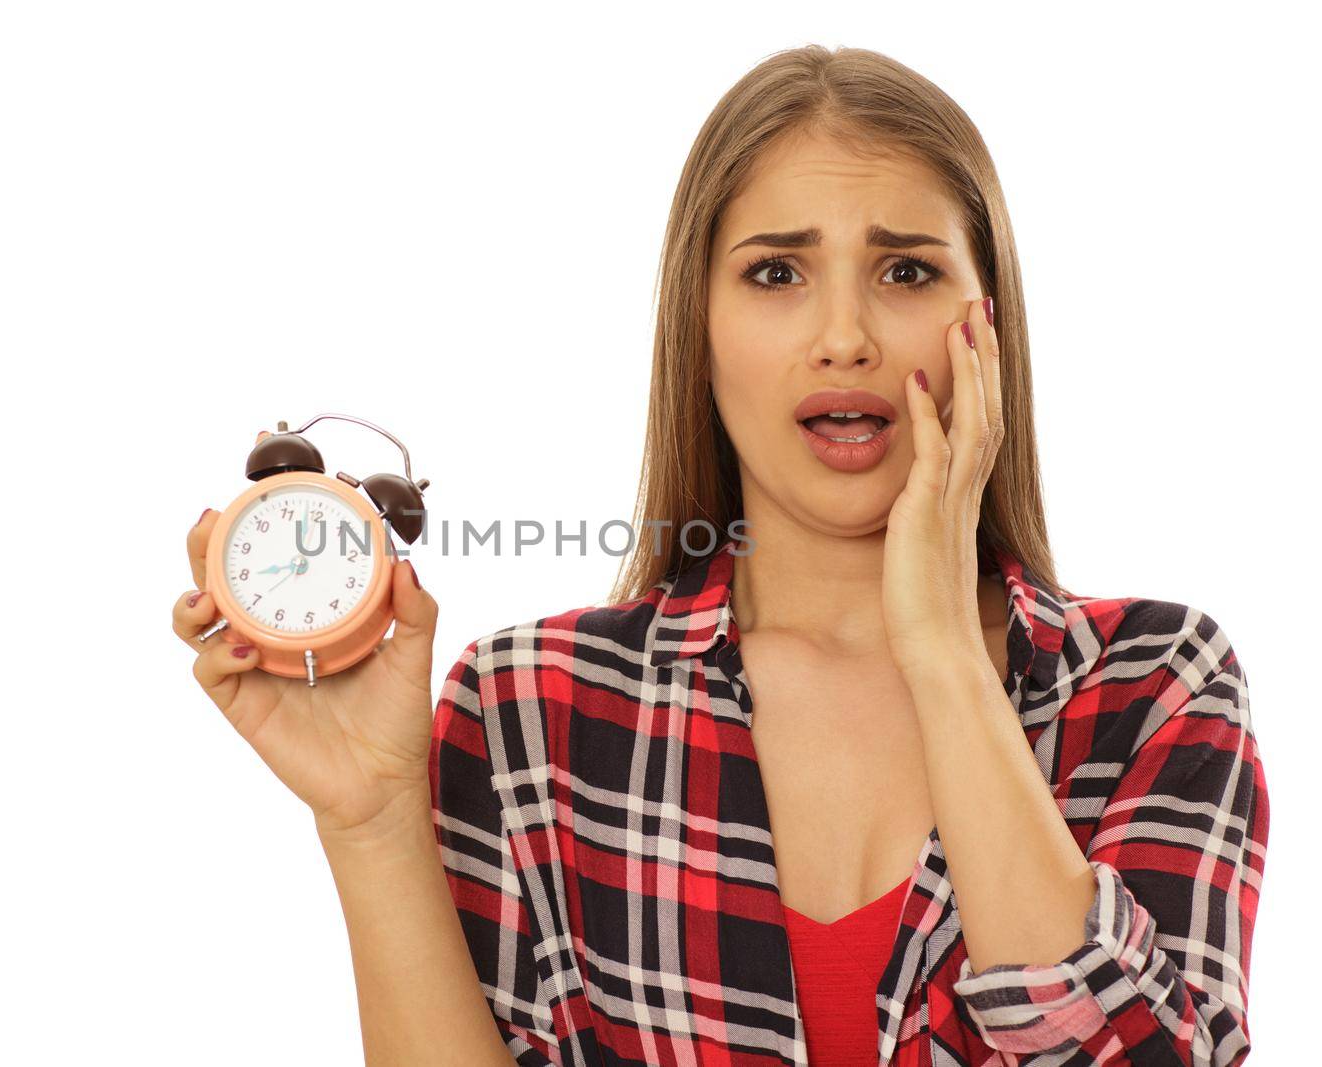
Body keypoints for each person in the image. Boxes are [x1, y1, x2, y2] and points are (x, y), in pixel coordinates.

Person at [172, 44, 1268, 1067]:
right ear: (697, 328)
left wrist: (938, 644)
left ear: (987, 321)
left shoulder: (1153, 683)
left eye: (906, 271)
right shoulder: (531, 711)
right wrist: (369, 825)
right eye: (777, 275)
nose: (844, 336)